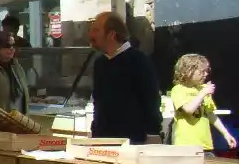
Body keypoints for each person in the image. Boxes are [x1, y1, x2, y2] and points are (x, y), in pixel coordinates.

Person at [88, 12, 163, 144]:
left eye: (96, 30)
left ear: (111, 34)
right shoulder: (100, 63)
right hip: (103, 141)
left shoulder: (138, 61)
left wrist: (152, 133)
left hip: (132, 142)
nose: (91, 35)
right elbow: (98, 102)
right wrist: (96, 130)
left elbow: (151, 100)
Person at [170, 53, 236, 151]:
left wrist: (226, 133)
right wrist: (202, 93)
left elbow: (210, 114)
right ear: (188, 71)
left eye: (207, 71)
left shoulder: (203, 89)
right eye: (202, 71)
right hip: (185, 146)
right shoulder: (178, 89)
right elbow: (188, 110)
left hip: (206, 146)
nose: (206, 74)